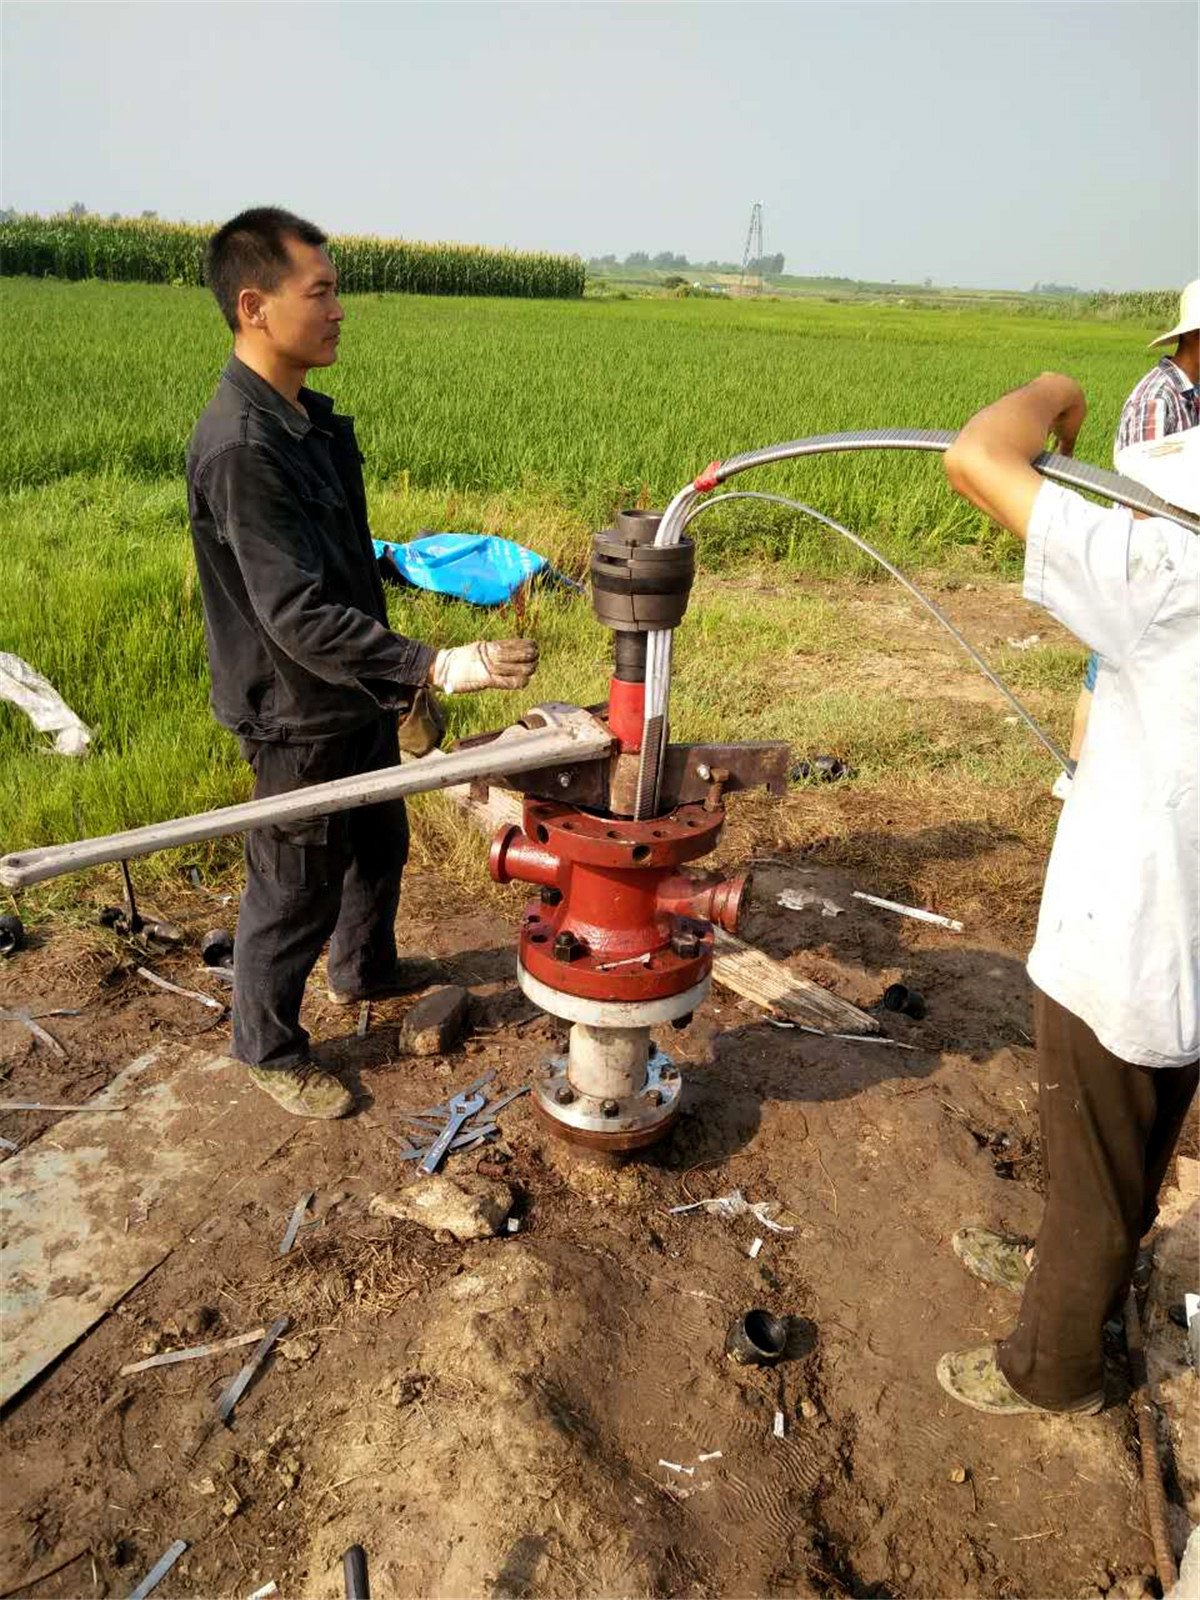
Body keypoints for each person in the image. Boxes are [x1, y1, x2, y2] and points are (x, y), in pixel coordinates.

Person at [186, 208, 538, 1120]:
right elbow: (294, 613)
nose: (339, 310)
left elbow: (334, 561)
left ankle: (363, 969)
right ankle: (267, 1047)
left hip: (352, 691)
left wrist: (396, 606)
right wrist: (436, 665)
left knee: (379, 844)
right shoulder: (243, 446)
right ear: (255, 307)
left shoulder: (305, 421)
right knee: (294, 883)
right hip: (293, 707)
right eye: (322, 292)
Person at [935, 374, 1198, 1415]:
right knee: (1123, 1147)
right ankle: (1071, 1269)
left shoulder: (1169, 576)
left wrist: (1056, 390)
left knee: (1099, 1160)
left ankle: (1054, 1370)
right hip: (1178, 928)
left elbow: (976, 457)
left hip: (1131, 937)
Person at [1063, 279, 1200, 786]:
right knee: (1109, 669)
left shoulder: (1192, 396)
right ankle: (1076, 774)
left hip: (1174, 555)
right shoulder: (1159, 400)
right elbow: (1148, 494)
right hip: (1144, 554)